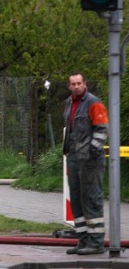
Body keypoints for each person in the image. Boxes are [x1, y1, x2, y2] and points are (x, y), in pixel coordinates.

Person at [62, 73, 108, 255]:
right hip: (73, 157)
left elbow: (102, 129)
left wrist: (93, 151)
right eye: (73, 84)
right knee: (76, 199)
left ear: (85, 84)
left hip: (89, 159)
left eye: (79, 83)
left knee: (91, 198)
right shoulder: (69, 103)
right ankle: (83, 241)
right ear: (69, 86)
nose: (76, 86)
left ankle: (96, 243)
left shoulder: (93, 103)